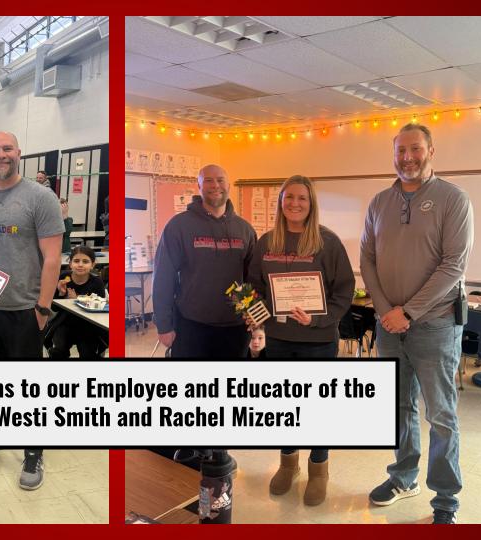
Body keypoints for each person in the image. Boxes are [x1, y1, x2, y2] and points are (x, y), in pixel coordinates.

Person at [361, 124, 474, 525]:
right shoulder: (378, 202)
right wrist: (383, 310)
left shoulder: (453, 199)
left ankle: (445, 501)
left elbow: (453, 266)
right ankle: (403, 477)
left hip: (436, 326)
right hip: (389, 326)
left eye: (415, 149)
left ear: (431, 151)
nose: (407, 157)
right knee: (398, 407)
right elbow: (368, 261)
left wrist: (407, 312)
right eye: (400, 150)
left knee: (441, 414)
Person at [0, 131, 63, 490]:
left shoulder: (41, 197)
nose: (0, 155)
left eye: (7, 149)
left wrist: (43, 308)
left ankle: (33, 450)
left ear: (19, 153)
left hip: (25, 308)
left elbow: (53, 258)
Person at [247, 174, 355, 507]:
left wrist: (319, 318)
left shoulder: (328, 242)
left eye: (302, 199)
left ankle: (318, 469)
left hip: (318, 341)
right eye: (289, 197)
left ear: (312, 204)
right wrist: (257, 319)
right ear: (281, 202)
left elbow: (344, 291)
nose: (295, 203)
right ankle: (288, 462)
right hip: (278, 340)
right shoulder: (266, 242)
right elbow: (254, 290)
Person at [152, 164, 257, 357]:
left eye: (220, 180)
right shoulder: (178, 226)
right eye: (208, 180)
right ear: (199, 187)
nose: (215, 185)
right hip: (191, 325)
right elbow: (163, 278)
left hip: (236, 328)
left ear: (229, 185)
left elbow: (252, 280)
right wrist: (164, 325)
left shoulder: (245, 230)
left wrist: (256, 321)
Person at [48, 246, 107, 358]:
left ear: (93, 264)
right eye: (76, 261)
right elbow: (54, 308)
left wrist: (77, 300)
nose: (80, 265)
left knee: (87, 352)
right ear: (70, 264)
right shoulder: (63, 277)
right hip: (65, 322)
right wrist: (61, 294)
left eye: (85, 261)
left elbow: (99, 308)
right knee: (59, 349)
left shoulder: (96, 282)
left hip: (88, 325)